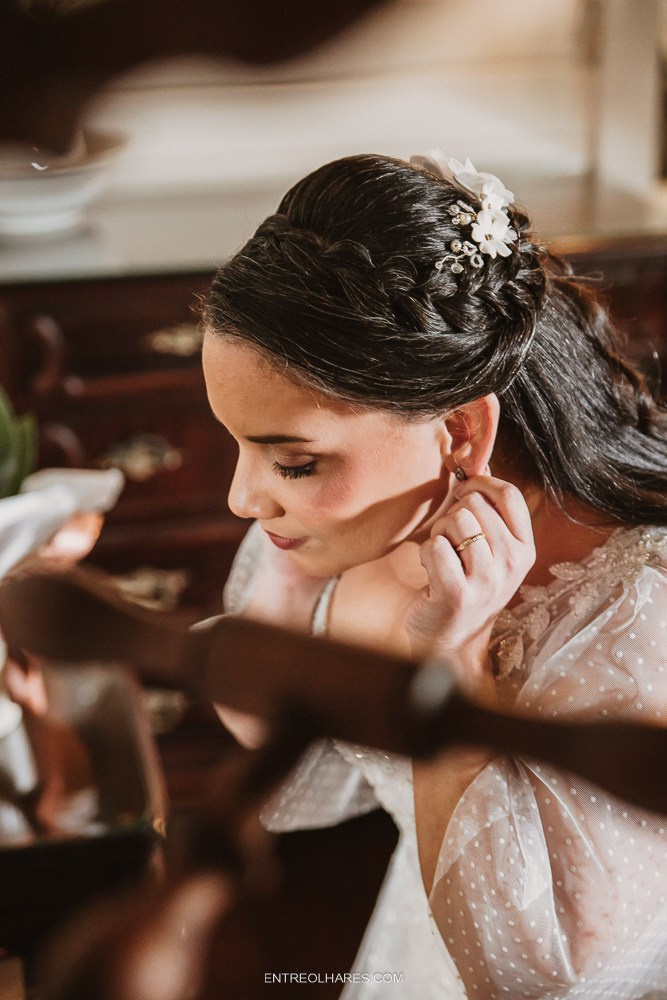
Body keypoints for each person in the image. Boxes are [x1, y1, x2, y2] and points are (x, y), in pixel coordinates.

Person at [201, 151, 667, 999]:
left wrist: (451, 663)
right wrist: (291, 581)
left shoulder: (639, 614)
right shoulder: (363, 513)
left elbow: (535, 982)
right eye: (239, 445)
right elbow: (295, 783)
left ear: (457, 434)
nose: (242, 498)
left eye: (292, 462)